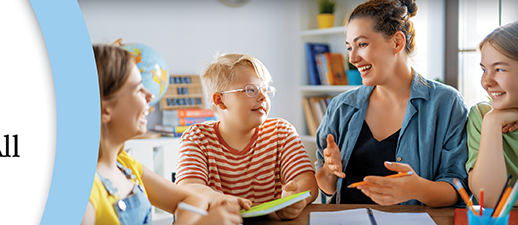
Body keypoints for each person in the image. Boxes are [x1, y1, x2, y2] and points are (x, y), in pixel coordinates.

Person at [315, 0, 468, 206]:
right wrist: (329, 170)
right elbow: (326, 187)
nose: (352, 58)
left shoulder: (447, 104)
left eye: (362, 44)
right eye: (349, 47)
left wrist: (417, 188)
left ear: (397, 42)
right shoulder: (340, 107)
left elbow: (458, 188)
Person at [82, 44, 244, 225]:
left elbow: (192, 199)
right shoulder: (82, 197)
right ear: (105, 110)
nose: (150, 96)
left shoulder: (125, 165)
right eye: (138, 89)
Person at [175, 53, 317, 220]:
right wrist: (220, 199)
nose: (263, 96)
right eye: (251, 90)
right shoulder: (197, 137)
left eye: (265, 89)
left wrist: (295, 198)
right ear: (220, 100)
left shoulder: (281, 132)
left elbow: (306, 180)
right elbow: (189, 187)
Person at [467, 21, 518, 208]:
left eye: (500, 69)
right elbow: (489, 199)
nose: (486, 81)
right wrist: (493, 121)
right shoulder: (481, 115)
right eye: (484, 70)